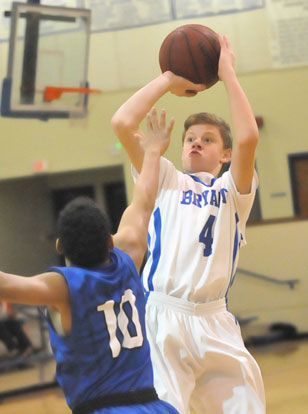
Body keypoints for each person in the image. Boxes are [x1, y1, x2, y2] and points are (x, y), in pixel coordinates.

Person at [111, 33, 266, 414]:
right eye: (190, 139)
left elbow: (248, 138)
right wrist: (168, 78)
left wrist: (227, 73)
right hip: (163, 315)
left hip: (216, 321)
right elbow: (122, 122)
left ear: (225, 154)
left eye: (208, 140)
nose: (196, 144)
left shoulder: (233, 191)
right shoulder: (162, 176)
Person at [0, 111, 180, 414]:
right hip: (155, 407)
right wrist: (151, 151)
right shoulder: (129, 257)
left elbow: (4, 284)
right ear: (110, 240)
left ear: (60, 247)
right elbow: (145, 200)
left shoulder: (63, 287)